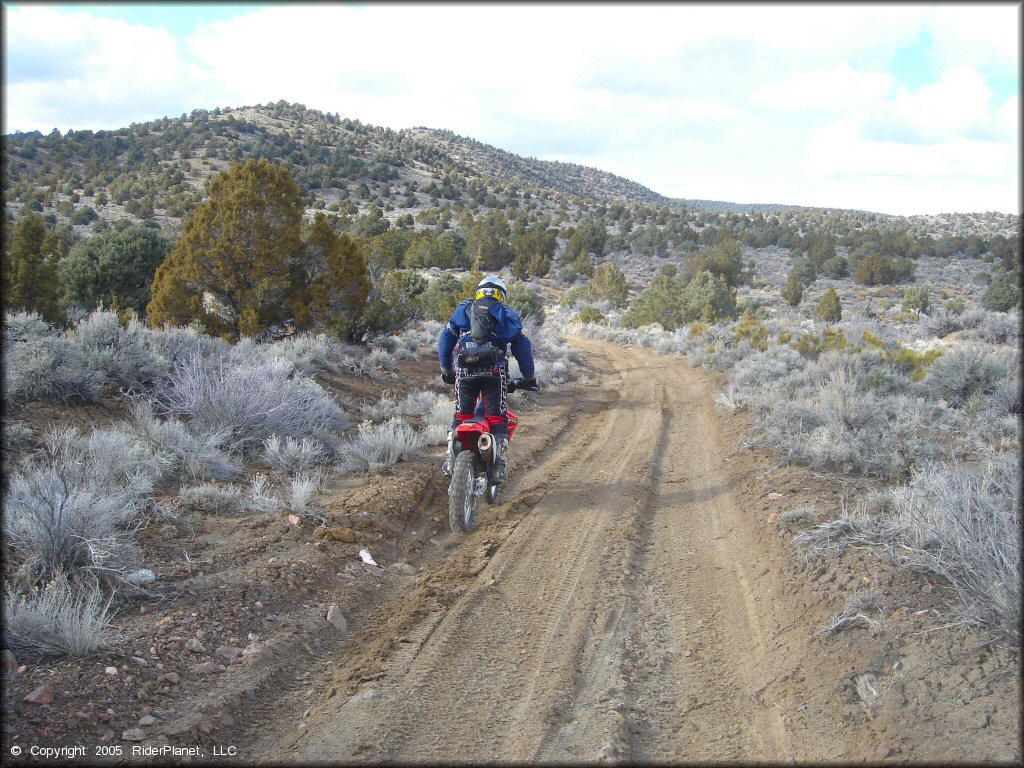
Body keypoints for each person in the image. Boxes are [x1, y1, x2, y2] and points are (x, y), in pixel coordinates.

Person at [438, 275, 537, 482]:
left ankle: (450, 458)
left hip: (465, 372)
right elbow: (522, 346)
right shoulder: (505, 312)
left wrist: (447, 370)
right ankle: (498, 466)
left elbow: (446, 339)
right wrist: (529, 377)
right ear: (501, 294)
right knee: (496, 417)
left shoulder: (464, 309)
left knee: (461, 415)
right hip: (495, 373)